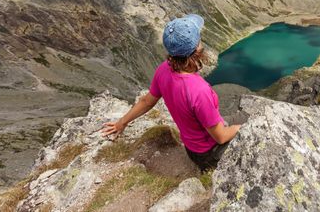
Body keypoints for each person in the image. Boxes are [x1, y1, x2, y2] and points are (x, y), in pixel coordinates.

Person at [100, 13, 247, 171]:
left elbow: (147, 101)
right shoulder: (199, 90)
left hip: (193, 148)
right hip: (209, 153)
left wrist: (121, 122)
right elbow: (221, 137)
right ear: (196, 48)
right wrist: (243, 128)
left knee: (248, 115)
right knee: (254, 125)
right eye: (199, 39)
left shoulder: (164, 69)